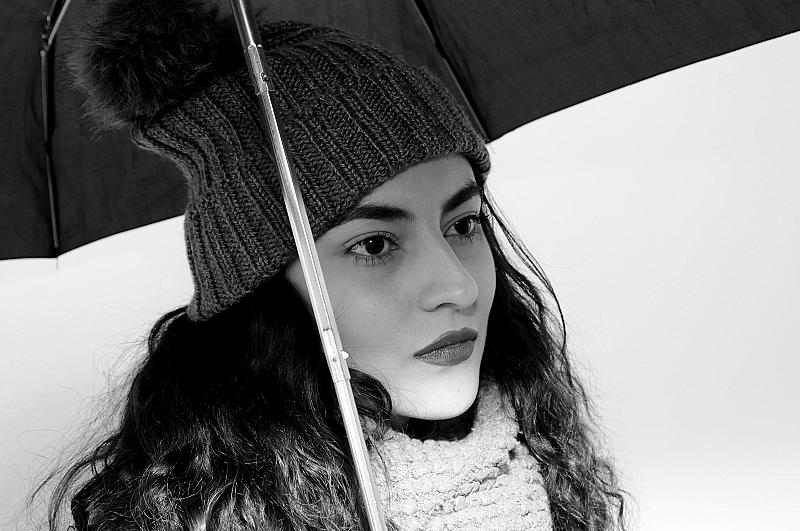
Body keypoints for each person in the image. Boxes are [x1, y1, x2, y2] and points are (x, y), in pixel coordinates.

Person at [36, 0, 628, 529]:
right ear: (262, 293)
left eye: (464, 225)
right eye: (374, 245)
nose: (459, 285)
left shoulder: (546, 473)